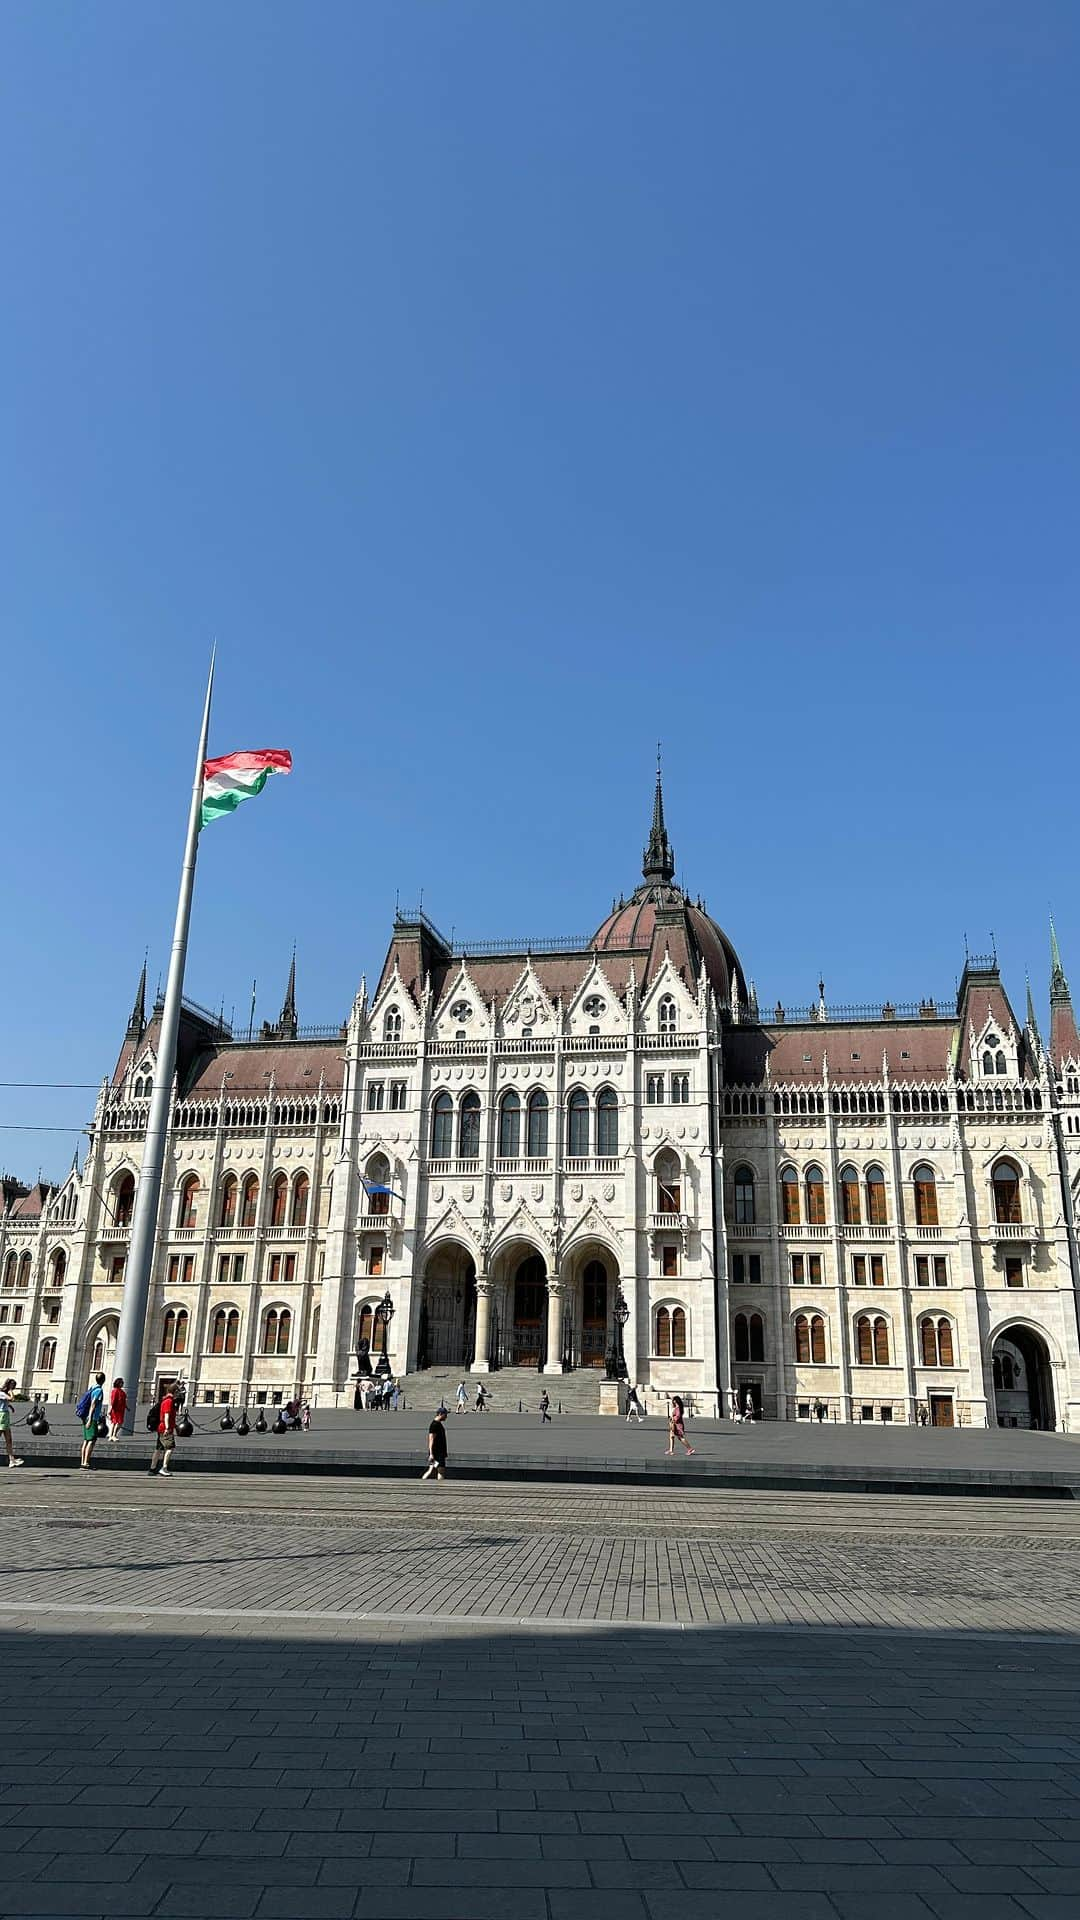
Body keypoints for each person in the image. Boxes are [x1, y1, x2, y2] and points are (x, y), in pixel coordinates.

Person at [148, 1382, 178, 1477]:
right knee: (170, 1448)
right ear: (175, 1391)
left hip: (162, 1427)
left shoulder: (165, 1400)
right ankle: (164, 1468)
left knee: (158, 1448)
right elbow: (166, 1415)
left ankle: (152, 1468)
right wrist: (167, 1427)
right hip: (165, 1428)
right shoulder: (169, 1401)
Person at [80, 1372, 106, 1469]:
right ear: (103, 1380)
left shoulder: (92, 1388)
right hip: (92, 1418)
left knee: (86, 1440)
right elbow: (93, 1404)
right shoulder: (99, 1390)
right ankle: (86, 1463)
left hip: (86, 1417)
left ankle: (83, 1462)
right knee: (91, 1440)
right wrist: (90, 1419)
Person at [0, 1377, 23, 1468]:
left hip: (5, 1416)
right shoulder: (1, 1393)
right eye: (12, 1386)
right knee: (8, 1439)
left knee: (9, 1440)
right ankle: (11, 1459)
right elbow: (11, 1398)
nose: (13, 1388)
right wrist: (10, 1391)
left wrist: (10, 1407)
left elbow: (5, 1403)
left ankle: (12, 1460)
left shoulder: (3, 1394)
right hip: (2, 1417)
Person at [421, 1407, 448, 1482]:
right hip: (437, 1453)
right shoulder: (434, 1425)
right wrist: (431, 1454)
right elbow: (431, 1439)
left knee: (432, 1470)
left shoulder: (437, 1424)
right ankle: (440, 1488)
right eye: (445, 1415)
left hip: (438, 1452)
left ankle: (421, 1484)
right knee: (440, 1471)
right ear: (440, 1414)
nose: (446, 1417)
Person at [666, 1393, 696, 1458]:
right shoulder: (677, 1408)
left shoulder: (678, 1408)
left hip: (677, 1425)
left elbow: (678, 1416)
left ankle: (690, 1449)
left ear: (675, 1401)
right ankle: (671, 1450)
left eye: (673, 1401)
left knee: (680, 1437)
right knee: (671, 1436)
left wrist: (672, 1419)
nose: (672, 1402)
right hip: (674, 1424)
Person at [108, 1377, 128, 1442]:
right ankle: (114, 1435)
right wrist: (112, 1408)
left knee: (114, 1423)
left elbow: (123, 1401)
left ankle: (111, 1435)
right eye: (122, 1383)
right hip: (116, 1410)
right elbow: (113, 1400)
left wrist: (126, 1407)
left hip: (120, 1410)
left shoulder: (121, 1391)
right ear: (118, 1383)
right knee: (118, 1423)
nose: (123, 1384)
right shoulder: (115, 1391)